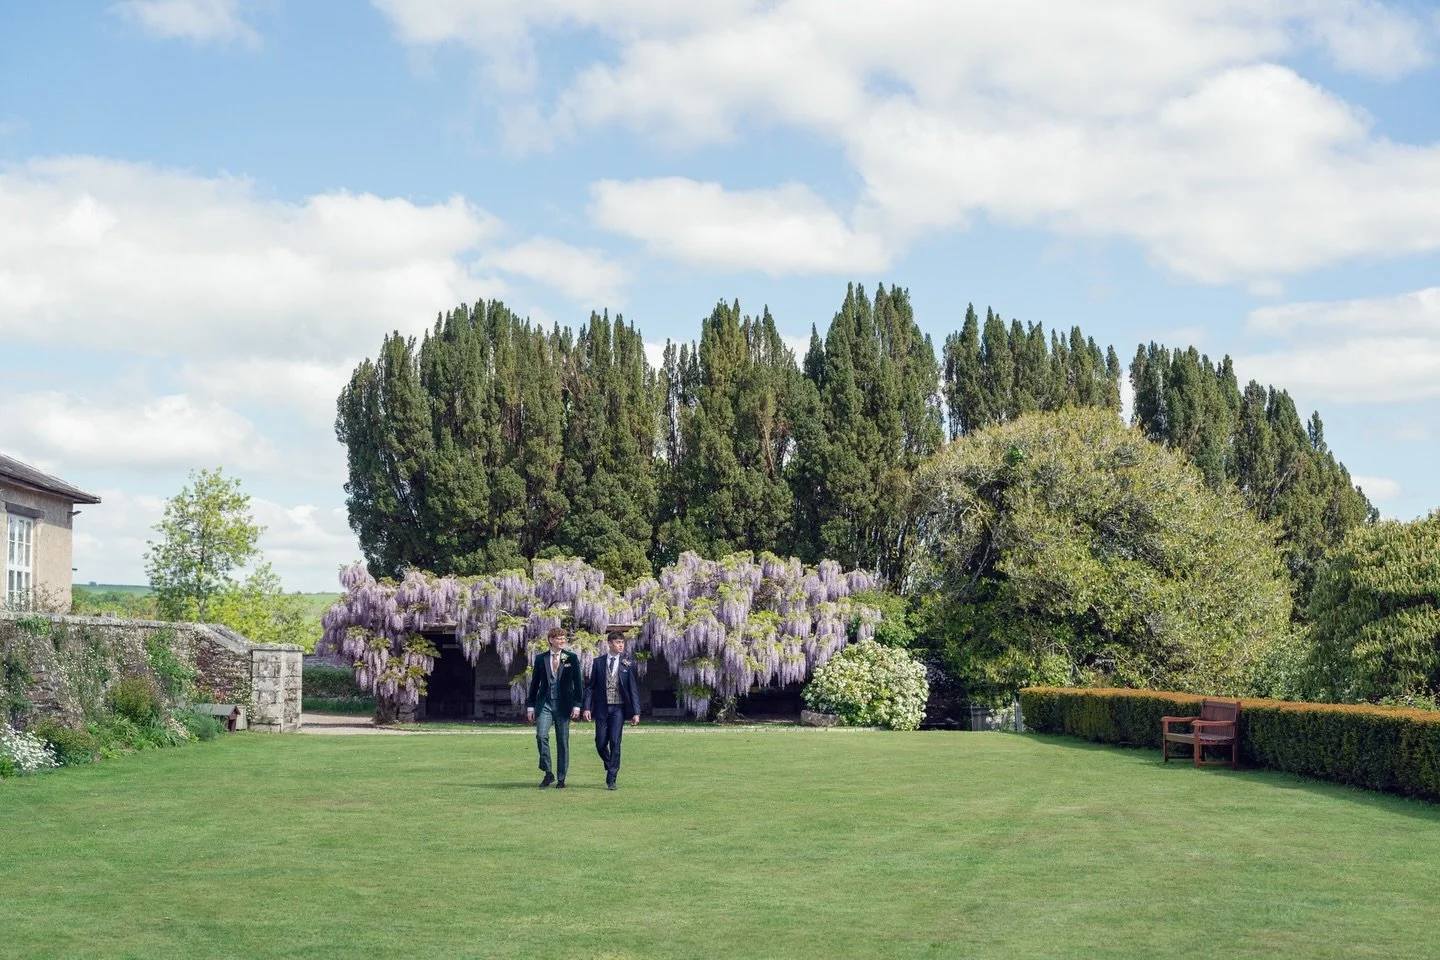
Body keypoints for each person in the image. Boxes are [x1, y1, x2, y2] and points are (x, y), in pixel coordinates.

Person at [582, 627, 641, 791]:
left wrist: (636, 712)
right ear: (610, 644)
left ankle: (612, 778)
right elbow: (590, 687)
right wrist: (586, 707)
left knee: (615, 742)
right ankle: (610, 764)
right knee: (600, 743)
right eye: (617, 642)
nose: (621, 645)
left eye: (622, 642)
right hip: (601, 707)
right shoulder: (598, 662)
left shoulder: (627, 663)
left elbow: (632, 689)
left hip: (619, 709)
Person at [526, 627, 583, 788]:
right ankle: (548, 772)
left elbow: (578, 684)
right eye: (559, 638)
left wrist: (577, 705)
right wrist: (530, 706)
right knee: (541, 736)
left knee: (562, 741)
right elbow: (534, 684)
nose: (562, 641)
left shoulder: (570, 658)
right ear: (551, 640)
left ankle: (561, 778)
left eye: (564, 638)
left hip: (564, 704)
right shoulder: (540, 659)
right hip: (545, 704)